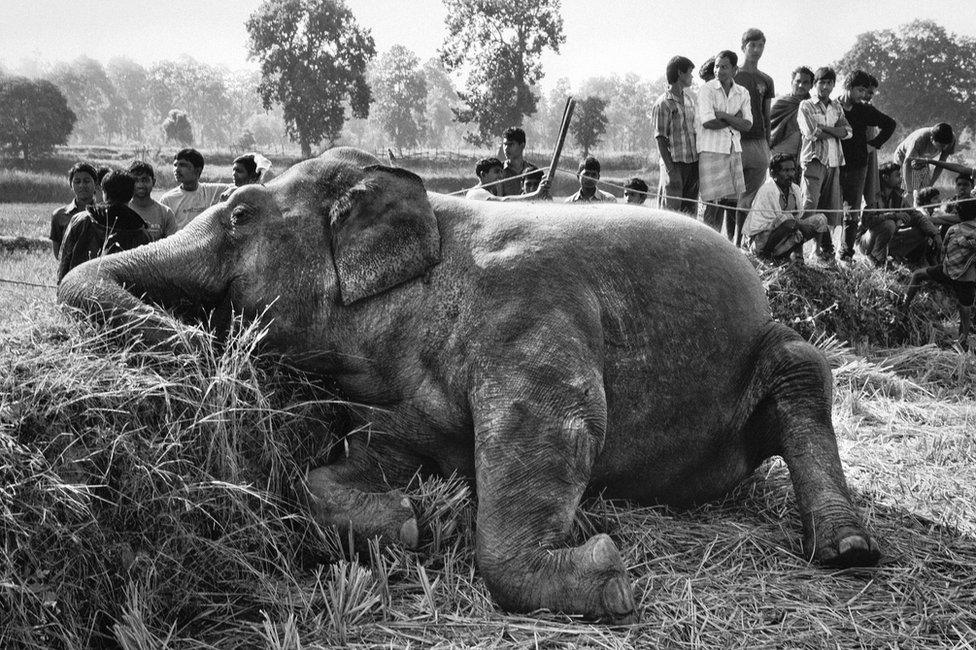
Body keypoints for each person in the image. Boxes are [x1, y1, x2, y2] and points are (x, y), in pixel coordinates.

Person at [837, 69, 897, 262]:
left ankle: (846, 253)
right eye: (860, 90)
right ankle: (823, 249)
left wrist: (873, 144)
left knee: (852, 211)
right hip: (833, 163)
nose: (863, 95)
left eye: (865, 91)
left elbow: (889, 124)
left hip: (858, 165)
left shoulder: (864, 110)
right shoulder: (833, 107)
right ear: (848, 86)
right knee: (828, 206)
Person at [903, 197, 976, 350]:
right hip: (967, 279)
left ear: (958, 214)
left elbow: (943, 252)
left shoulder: (953, 229)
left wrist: (943, 266)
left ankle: (904, 306)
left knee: (918, 274)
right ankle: (962, 346)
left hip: (947, 272)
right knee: (965, 314)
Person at [57, 169, 152, 283]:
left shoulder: (81, 220)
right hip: (123, 298)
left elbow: (64, 262)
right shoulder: (142, 233)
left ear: (104, 193)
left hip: (79, 292)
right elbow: (146, 278)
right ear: (131, 195)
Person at [798, 66, 851, 263]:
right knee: (809, 204)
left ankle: (817, 250)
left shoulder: (837, 107)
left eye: (829, 83)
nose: (825, 86)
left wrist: (826, 129)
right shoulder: (806, 105)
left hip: (834, 161)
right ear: (815, 84)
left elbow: (848, 132)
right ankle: (797, 249)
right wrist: (835, 131)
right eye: (822, 82)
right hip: (814, 160)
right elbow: (811, 132)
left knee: (826, 208)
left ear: (833, 85)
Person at [696, 50, 752, 237]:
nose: (719, 70)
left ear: (735, 69)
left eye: (724, 66)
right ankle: (708, 244)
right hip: (712, 150)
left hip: (733, 149)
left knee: (732, 202)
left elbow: (747, 124)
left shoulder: (742, 92)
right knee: (713, 203)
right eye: (717, 66)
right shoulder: (707, 89)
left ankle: (731, 246)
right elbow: (708, 122)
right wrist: (734, 119)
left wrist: (724, 115)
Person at [734, 28, 776, 245]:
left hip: (758, 142)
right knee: (730, 194)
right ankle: (724, 243)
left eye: (761, 46)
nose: (757, 50)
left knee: (749, 197)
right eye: (753, 45)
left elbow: (766, 115)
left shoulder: (766, 80)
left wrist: (767, 145)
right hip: (736, 140)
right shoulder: (733, 74)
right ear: (743, 47)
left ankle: (739, 243)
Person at [743, 153, 827, 260]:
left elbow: (798, 217)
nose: (791, 174)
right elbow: (767, 225)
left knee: (820, 220)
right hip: (760, 240)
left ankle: (783, 255)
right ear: (773, 173)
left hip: (785, 233)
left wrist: (798, 224)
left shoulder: (795, 189)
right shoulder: (768, 190)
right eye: (786, 170)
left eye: (792, 170)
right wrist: (793, 222)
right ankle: (766, 257)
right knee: (788, 222)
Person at [857, 162, 941, 267]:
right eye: (897, 175)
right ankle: (877, 259)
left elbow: (916, 215)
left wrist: (935, 233)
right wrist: (892, 215)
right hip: (866, 242)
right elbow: (867, 222)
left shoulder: (899, 197)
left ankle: (894, 256)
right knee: (889, 224)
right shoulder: (872, 196)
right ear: (885, 177)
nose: (900, 178)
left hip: (888, 239)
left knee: (921, 231)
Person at [652, 55, 698, 215]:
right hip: (674, 164)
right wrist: (671, 170)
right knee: (670, 214)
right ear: (680, 73)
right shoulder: (663, 102)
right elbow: (660, 138)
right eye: (690, 72)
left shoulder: (690, 101)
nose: (692, 76)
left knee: (690, 213)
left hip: (691, 164)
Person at [159, 148, 231, 230]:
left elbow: (238, 188)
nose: (177, 169)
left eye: (183, 165)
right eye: (175, 165)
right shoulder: (168, 199)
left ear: (197, 171)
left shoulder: (211, 191)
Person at [894, 123, 955, 200]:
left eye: (945, 145)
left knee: (924, 192)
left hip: (922, 159)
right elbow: (907, 163)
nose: (944, 148)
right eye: (941, 146)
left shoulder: (951, 139)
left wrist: (931, 184)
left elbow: (941, 164)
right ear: (932, 139)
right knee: (901, 190)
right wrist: (909, 191)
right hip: (902, 157)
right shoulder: (919, 140)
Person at [50, 162, 98, 258]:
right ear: (71, 185)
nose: (82, 185)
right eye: (77, 181)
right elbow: (58, 254)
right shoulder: (59, 215)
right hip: (69, 271)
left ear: (96, 184)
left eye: (86, 181)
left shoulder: (104, 214)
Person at [770, 66, 814, 162]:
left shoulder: (813, 107)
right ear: (791, 82)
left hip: (803, 157)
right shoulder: (780, 103)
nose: (801, 85)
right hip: (778, 155)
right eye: (798, 81)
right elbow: (766, 127)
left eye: (805, 82)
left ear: (811, 86)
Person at [127, 160, 177, 242]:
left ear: (153, 182)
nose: (140, 185)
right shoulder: (123, 211)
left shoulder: (166, 213)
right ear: (128, 183)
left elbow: (171, 246)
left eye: (144, 180)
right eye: (135, 181)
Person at [465, 157, 550, 202]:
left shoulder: (489, 192)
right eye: (496, 172)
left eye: (501, 172)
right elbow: (504, 201)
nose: (500, 175)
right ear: (483, 174)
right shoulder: (477, 193)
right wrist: (536, 194)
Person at [497, 127, 542, 196]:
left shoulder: (534, 172)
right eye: (505, 144)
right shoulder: (498, 172)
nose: (506, 148)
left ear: (522, 145)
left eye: (511, 144)